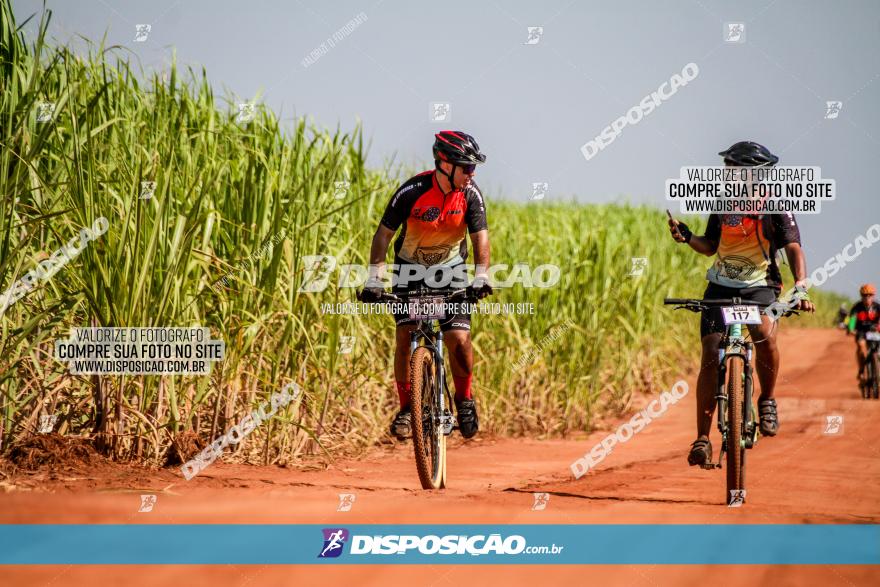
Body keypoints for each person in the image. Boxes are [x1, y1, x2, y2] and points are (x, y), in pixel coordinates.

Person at [667, 140, 815, 467]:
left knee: (764, 333)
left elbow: (793, 248)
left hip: (760, 287)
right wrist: (687, 236)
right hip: (720, 286)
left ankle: (767, 400)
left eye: (733, 170)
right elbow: (710, 246)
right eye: (728, 169)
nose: (728, 175)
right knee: (710, 351)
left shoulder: (775, 206)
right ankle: (703, 438)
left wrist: (800, 286)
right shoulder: (723, 204)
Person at [358, 131, 493, 440]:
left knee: (458, 337)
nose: (471, 175)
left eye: (474, 169)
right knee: (405, 335)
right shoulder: (412, 190)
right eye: (466, 168)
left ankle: (464, 399)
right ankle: (407, 408)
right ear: (444, 164)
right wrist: (375, 278)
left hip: (451, 271)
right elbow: (382, 236)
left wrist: (481, 276)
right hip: (410, 271)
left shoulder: (471, 195)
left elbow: (480, 238)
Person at [846, 284, 880, 385]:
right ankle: (861, 370)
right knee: (861, 347)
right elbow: (852, 320)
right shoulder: (857, 307)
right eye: (865, 295)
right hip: (861, 332)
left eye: (870, 295)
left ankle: (877, 370)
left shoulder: (877, 307)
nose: (867, 298)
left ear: (873, 296)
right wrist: (851, 329)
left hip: (875, 332)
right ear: (861, 296)